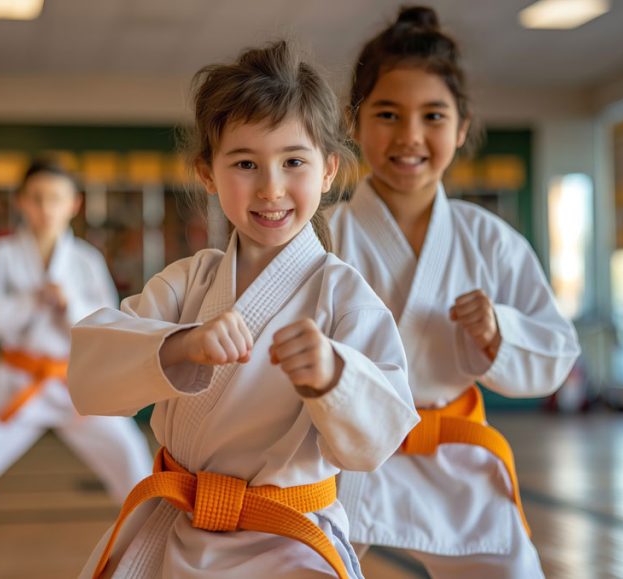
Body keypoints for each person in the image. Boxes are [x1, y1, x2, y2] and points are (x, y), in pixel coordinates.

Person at [67, 40, 419, 579]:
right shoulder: (187, 283)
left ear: (328, 170)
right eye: (246, 163)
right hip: (176, 525)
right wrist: (181, 345)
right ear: (208, 173)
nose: (271, 188)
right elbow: (91, 377)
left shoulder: (344, 295)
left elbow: (378, 440)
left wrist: (334, 375)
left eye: (293, 161)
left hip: (289, 540)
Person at [329, 6, 581, 578]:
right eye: (387, 114)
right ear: (354, 122)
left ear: (462, 127)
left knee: (511, 569)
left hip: (453, 454)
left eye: (433, 116)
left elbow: (556, 349)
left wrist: (498, 331)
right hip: (347, 454)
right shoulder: (326, 235)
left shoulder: (488, 240)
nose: (410, 136)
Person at [0, 159, 153, 552]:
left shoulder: (84, 260)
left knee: (126, 450)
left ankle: (156, 526)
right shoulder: (3, 255)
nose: (46, 207)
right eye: (36, 197)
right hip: (18, 378)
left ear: (74, 204)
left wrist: (69, 305)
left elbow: (108, 321)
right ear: (21, 202)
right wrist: (25, 303)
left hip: (75, 381)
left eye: (55, 197)